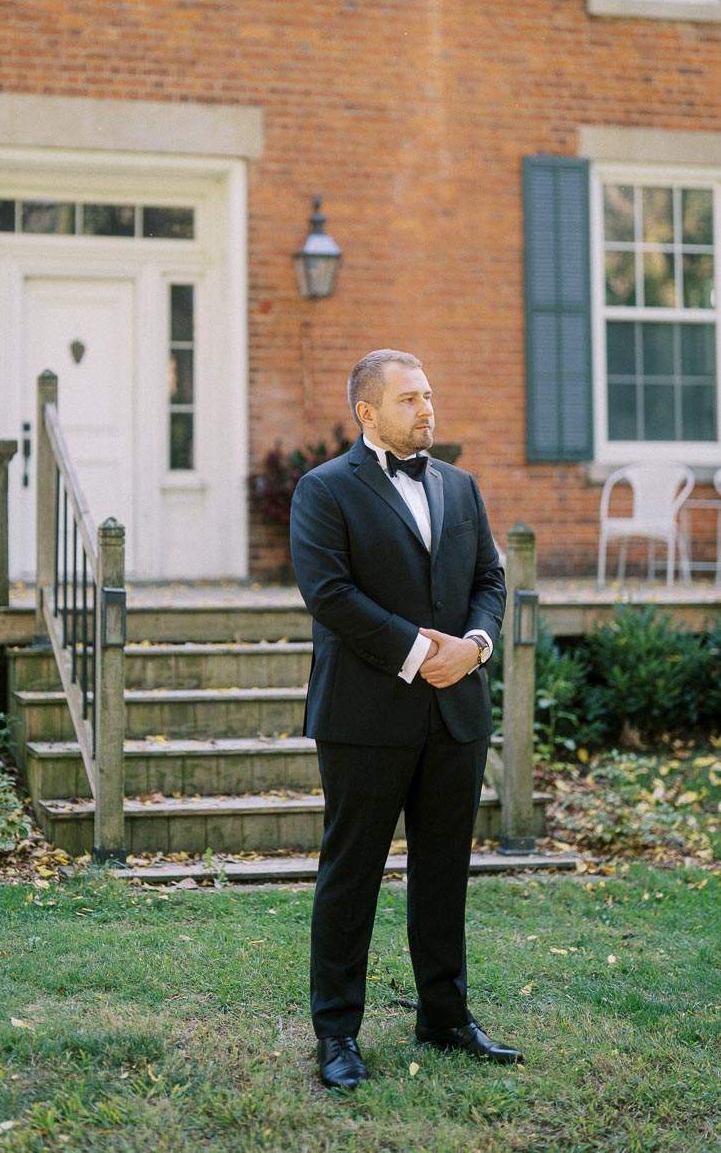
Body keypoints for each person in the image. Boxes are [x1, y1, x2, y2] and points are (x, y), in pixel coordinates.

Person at [289, 348, 522, 1089]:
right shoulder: (323, 491)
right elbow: (329, 594)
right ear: (367, 412)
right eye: (409, 399)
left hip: (457, 713)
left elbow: (490, 578)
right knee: (351, 873)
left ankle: (445, 1017)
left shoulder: (461, 485)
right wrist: (422, 650)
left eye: (429, 394)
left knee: (444, 871)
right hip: (364, 715)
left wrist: (476, 647)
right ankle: (336, 1036)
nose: (427, 408)